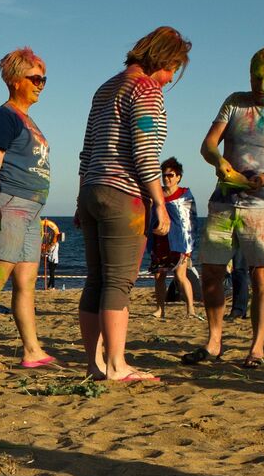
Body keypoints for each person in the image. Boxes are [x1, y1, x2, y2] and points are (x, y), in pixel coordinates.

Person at [77, 27, 191, 382]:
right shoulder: (146, 90)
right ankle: (116, 364)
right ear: (163, 58)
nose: (172, 77)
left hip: (93, 189)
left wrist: (82, 197)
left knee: (95, 279)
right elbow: (144, 153)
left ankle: (94, 364)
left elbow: (87, 148)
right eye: (173, 67)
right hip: (123, 194)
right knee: (118, 283)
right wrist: (159, 203)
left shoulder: (106, 87)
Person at [185, 47, 264, 368]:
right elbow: (208, 144)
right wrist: (219, 161)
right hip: (225, 197)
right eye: (257, 77)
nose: (262, 84)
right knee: (212, 272)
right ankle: (214, 342)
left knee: (260, 275)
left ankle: (256, 348)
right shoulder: (235, 102)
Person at [0, 46, 57, 372]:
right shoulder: (3, 117)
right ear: (16, 80)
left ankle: (32, 350)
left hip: (31, 210)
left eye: (44, 79)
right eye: (36, 78)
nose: (41, 84)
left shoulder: (27, 119)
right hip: (8, 205)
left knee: (26, 283)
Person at [151, 158, 198, 319]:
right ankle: (160, 309)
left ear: (178, 177)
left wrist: (189, 246)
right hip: (160, 241)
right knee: (159, 276)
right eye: (164, 175)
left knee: (180, 275)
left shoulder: (185, 195)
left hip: (180, 242)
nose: (167, 178)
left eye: (170, 175)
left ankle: (190, 308)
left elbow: (190, 221)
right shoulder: (157, 195)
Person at [40, 218, 64, 289]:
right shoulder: (54, 244)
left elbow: (50, 251)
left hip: (53, 260)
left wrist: (45, 252)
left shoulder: (55, 244)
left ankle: (52, 286)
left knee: (52, 274)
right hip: (52, 260)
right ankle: (49, 286)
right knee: (51, 274)